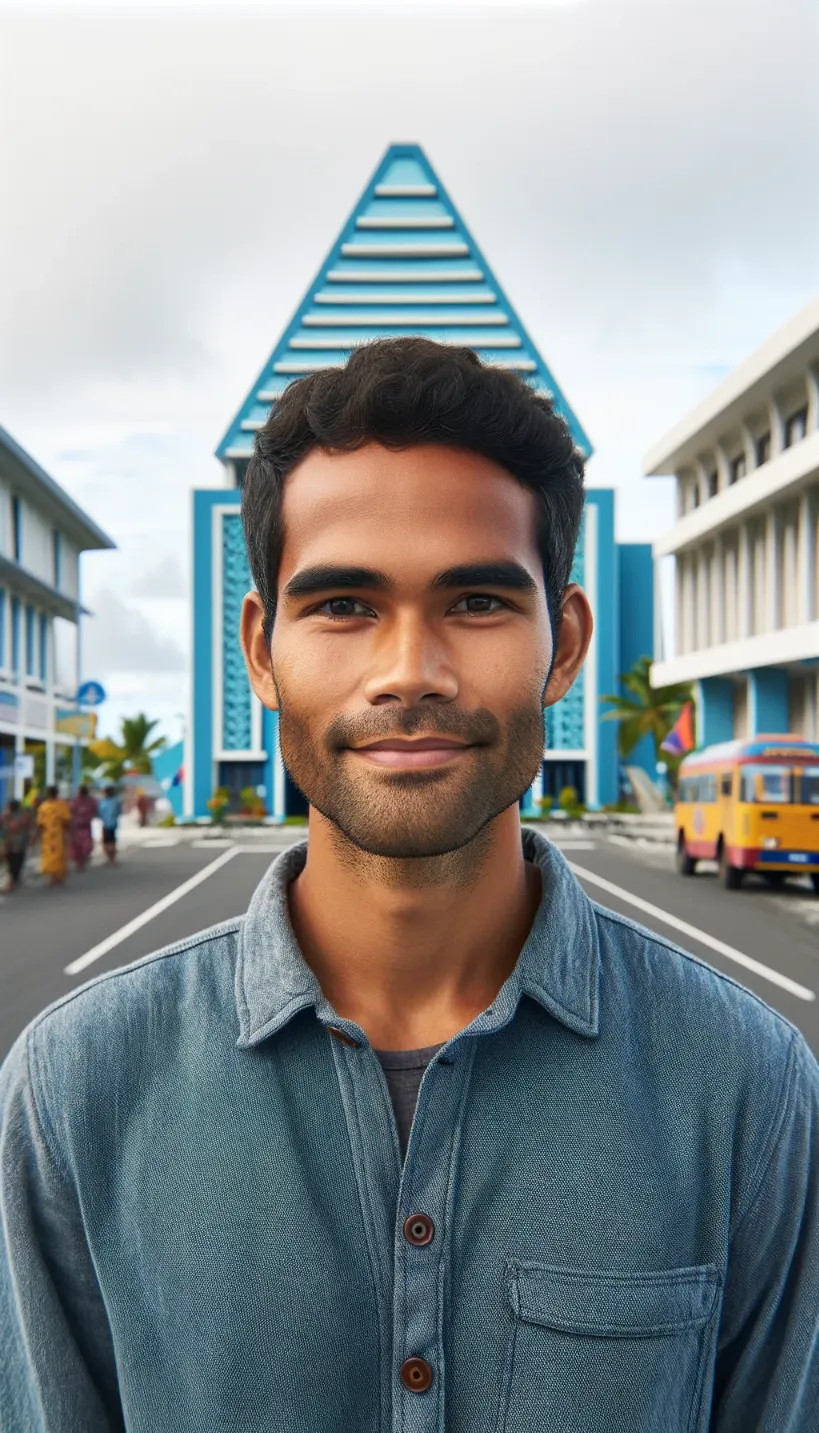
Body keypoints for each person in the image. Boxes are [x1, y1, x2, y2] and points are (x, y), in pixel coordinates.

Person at [0, 338, 817, 1430]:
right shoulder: (74, 1091)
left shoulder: (746, 1089)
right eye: (343, 604)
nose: (409, 670)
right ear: (262, 648)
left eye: (477, 601)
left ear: (563, 644)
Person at [35, 783, 71, 887]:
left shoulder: (43, 807)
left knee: (52, 855)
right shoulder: (62, 804)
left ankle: (55, 877)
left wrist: (36, 836)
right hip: (57, 834)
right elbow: (67, 821)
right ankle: (56, 877)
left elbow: (40, 824)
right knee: (59, 855)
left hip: (49, 835)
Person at [0, 798, 33, 892]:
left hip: (9, 843)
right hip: (20, 844)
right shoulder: (24, 816)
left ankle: (12, 882)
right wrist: (31, 839)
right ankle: (14, 880)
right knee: (17, 862)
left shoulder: (5, 816)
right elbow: (29, 827)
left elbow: (3, 830)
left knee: (9, 863)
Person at [68, 783, 98, 871]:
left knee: (85, 846)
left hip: (84, 827)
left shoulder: (90, 801)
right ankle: (79, 863)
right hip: (77, 827)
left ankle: (81, 862)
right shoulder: (76, 801)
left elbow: (94, 811)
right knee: (77, 846)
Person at [97, 784, 122, 864]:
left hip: (106, 824)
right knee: (112, 841)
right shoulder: (116, 801)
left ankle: (109, 858)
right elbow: (119, 812)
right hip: (113, 824)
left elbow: (99, 813)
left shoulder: (103, 802)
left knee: (106, 842)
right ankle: (112, 858)